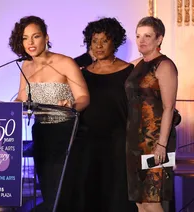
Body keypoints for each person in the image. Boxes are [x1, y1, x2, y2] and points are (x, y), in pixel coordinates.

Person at [9, 15, 89, 211]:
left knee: (64, 190)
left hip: (66, 133)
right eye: (25, 38)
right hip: (41, 133)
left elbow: (84, 98)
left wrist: (71, 107)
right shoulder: (25, 67)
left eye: (35, 36)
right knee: (47, 189)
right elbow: (21, 98)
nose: (30, 43)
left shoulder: (64, 62)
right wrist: (12, 106)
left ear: (46, 37)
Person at [77, 17, 137, 212]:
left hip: (119, 141)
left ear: (115, 41)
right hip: (88, 141)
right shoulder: (82, 73)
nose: (99, 46)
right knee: (91, 191)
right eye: (94, 41)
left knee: (118, 193)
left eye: (104, 40)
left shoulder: (129, 71)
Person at [125, 16, 178, 212]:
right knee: (140, 201)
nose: (141, 40)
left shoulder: (165, 65)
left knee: (152, 200)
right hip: (134, 140)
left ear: (159, 39)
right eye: (138, 36)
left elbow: (169, 107)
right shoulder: (136, 65)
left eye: (147, 35)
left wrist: (162, 144)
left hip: (155, 140)